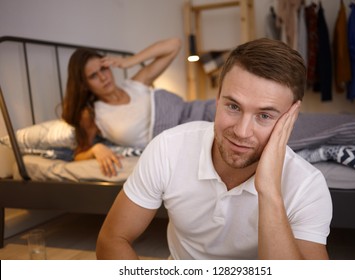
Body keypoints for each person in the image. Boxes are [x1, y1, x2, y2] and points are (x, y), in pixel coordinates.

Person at [96, 38, 333, 260]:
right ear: (217, 99)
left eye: (264, 115)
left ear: (291, 117)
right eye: (233, 106)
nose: (241, 131)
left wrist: (270, 192)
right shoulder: (167, 148)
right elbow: (112, 239)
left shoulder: (307, 185)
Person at [62, 38, 215, 177]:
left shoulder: (135, 84)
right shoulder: (92, 114)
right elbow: (78, 155)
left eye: (103, 69)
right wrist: (97, 149)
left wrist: (129, 61)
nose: (103, 77)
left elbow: (174, 44)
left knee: (231, 111)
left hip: (199, 111)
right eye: (93, 76)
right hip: (182, 136)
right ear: (84, 84)